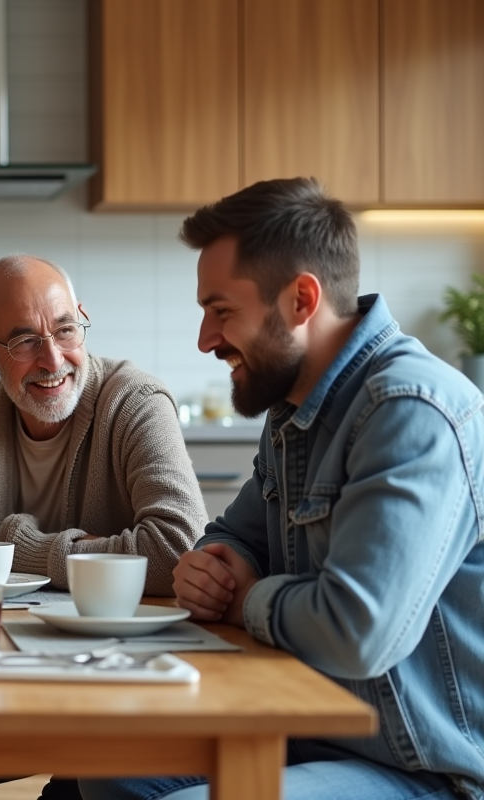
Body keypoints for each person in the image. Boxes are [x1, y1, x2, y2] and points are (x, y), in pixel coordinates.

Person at [80, 177, 484, 800]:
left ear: (301, 300)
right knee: (109, 768)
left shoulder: (410, 410)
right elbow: (230, 537)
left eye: (221, 312)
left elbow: (358, 631)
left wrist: (244, 601)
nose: (205, 339)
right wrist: (212, 568)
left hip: (421, 763)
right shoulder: (295, 408)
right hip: (312, 722)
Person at [0, 255, 208, 800]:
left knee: (83, 787)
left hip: (120, 676)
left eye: (65, 330)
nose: (52, 358)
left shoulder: (135, 401)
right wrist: (81, 555)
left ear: (82, 319)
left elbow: (177, 549)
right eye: (22, 341)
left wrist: (20, 550)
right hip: (7, 662)